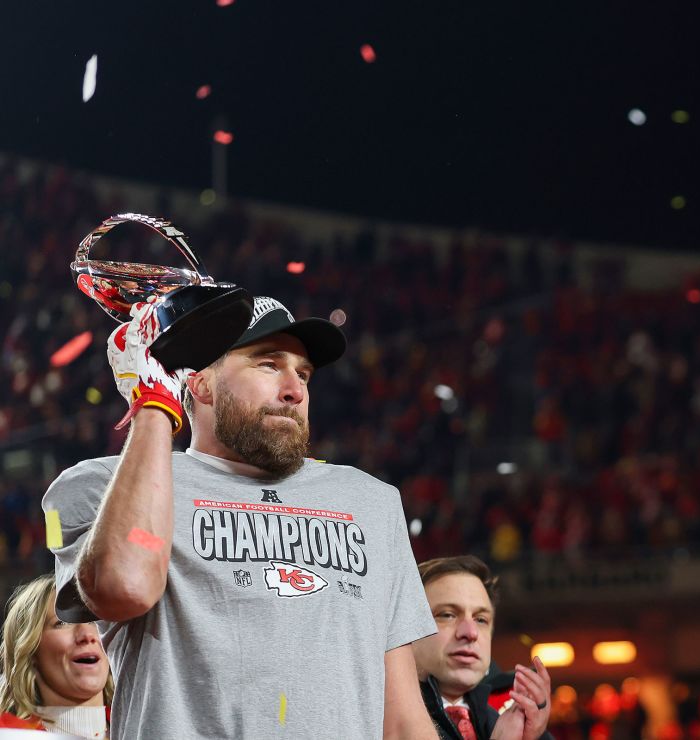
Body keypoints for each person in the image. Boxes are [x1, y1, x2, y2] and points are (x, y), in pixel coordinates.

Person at [42, 297, 438, 738]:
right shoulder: (106, 485)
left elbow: (401, 716)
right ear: (200, 384)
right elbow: (124, 587)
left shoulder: (372, 501)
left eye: (303, 373)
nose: (296, 390)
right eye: (269, 365)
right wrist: (153, 405)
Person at [413, 556, 553, 740]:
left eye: (481, 620)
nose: (470, 632)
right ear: (404, 629)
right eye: (447, 615)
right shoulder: (375, 716)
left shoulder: (519, 720)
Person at [1, 574, 112, 737]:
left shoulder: (145, 724)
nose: (87, 635)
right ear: (30, 649)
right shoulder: (8, 734)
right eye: (62, 623)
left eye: (95, 621)